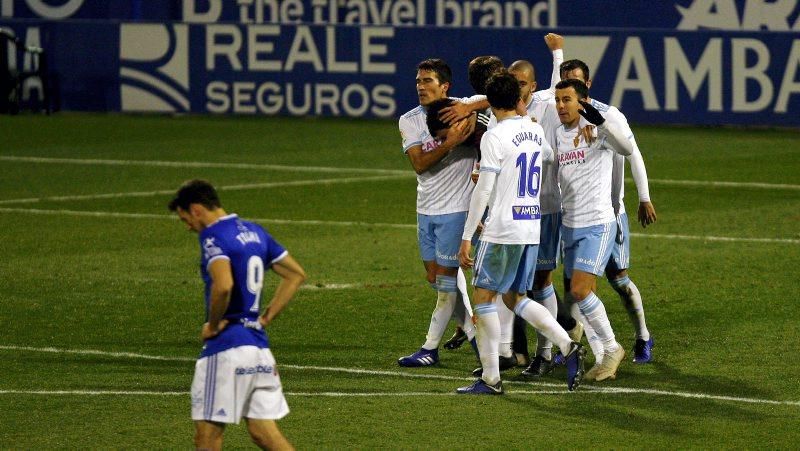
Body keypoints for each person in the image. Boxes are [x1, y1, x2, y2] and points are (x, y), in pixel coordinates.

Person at [456, 71, 585, 394]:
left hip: (503, 229)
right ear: (517, 99)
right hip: (531, 225)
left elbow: (483, 190)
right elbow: (549, 156)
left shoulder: (494, 135)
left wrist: (467, 235)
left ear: (492, 103)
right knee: (515, 297)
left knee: (483, 298)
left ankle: (491, 379)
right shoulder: (532, 129)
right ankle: (567, 345)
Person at [168, 179, 306, 451]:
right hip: (259, 350)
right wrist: (265, 318)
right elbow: (296, 274)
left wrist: (214, 324)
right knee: (264, 434)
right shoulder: (256, 232)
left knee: (207, 438)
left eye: (185, 219)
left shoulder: (213, 236)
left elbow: (223, 285)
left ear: (196, 209)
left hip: (226, 349)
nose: (188, 227)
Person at [559, 59, 657, 366]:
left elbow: (632, 152)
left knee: (618, 279)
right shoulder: (561, 122)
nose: (567, 93)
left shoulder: (609, 116)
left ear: (586, 86)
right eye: (563, 83)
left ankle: (642, 335)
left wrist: (644, 197)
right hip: (576, 215)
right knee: (574, 285)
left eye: (575, 84)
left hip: (610, 214)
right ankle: (574, 346)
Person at [397, 58, 479, 367]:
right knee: (435, 278)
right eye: (418, 81)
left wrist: (473, 125)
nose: (421, 86)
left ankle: (430, 348)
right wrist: (450, 143)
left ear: (444, 86)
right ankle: (473, 330)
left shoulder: (463, 110)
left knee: (446, 282)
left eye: (428, 81)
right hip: (426, 208)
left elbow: (493, 117)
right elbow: (419, 163)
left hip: (457, 209)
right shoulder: (409, 120)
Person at [551, 78, 635, 382]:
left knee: (580, 290)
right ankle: (602, 354)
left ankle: (612, 349)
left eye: (567, 100)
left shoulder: (595, 131)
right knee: (578, 296)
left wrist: (601, 124)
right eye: (558, 100)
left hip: (597, 224)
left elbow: (626, 148)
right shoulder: (559, 134)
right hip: (569, 225)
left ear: (582, 103)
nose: (561, 106)